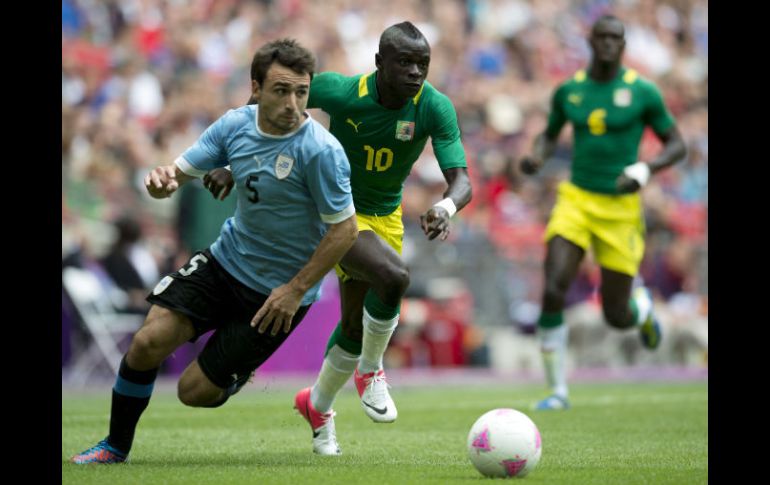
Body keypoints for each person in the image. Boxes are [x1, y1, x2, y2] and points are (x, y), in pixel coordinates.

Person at [70, 38, 358, 464]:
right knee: (148, 341)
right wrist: (164, 180)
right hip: (227, 261)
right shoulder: (234, 125)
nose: (294, 103)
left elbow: (345, 231)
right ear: (256, 88)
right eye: (281, 90)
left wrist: (295, 290)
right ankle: (115, 446)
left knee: (194, 393)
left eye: (302, 92)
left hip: (278, 294)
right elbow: (181, 171)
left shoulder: (320, 151)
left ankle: (235, 376)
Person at [207, 21, 472, 455]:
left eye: (422, 64)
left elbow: (460, 179)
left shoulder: (434, 107)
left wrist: (445, 207)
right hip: (332, 213)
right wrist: (230, 161)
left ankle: (317, 406)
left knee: (353, 326)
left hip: (384, 217)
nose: (415, 73)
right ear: (379, 63)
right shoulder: (341, 91)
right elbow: (267, 99)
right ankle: (371, 371)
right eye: (404, 62)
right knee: (394, 277)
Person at [518, 15, 687, 411]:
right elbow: (550, 132)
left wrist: (644, 169)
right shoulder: (570, 90)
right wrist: (537, 157)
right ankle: (557, 390)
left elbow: (676, 144)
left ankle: (640, 310)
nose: (610, 44)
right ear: (590, 42)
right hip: (576, 199)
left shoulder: (643, 92)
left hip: (621, 208)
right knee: (554, 284)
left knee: (615, 314)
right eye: (603, 38)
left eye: (617, 38)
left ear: (624, 45)